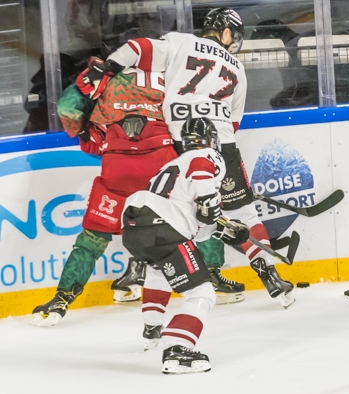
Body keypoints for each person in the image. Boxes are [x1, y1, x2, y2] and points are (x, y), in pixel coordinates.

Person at [77, 7, 295, 308]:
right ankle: (270, 276)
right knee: (243, 215)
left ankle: (140, 270)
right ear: (227, 32)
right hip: (221, 144)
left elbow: (138, 48)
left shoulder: (181, 42)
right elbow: (233, 122)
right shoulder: (237, 67)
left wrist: (108, 69)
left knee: (164, 210)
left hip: (178, 143)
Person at [30, 67, 178, 326]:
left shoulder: (104, 72)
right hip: (163, 163)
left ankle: (61, 299)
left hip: (117, 163)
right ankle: (211, 277)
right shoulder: (176, 70)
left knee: (93, 238)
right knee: (195, 222)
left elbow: (67, 107)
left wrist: (92, 139)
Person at [122, 117, 249, 374]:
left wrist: (217, 228)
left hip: (133, 226)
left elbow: (193, 228)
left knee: (159, 268)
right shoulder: (207, 155)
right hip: (164, 225)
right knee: (202, 293)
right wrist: (209, 201)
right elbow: (202, 169)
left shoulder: (170, 166)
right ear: (212, 139)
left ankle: (152, 328)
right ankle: (177, 349)